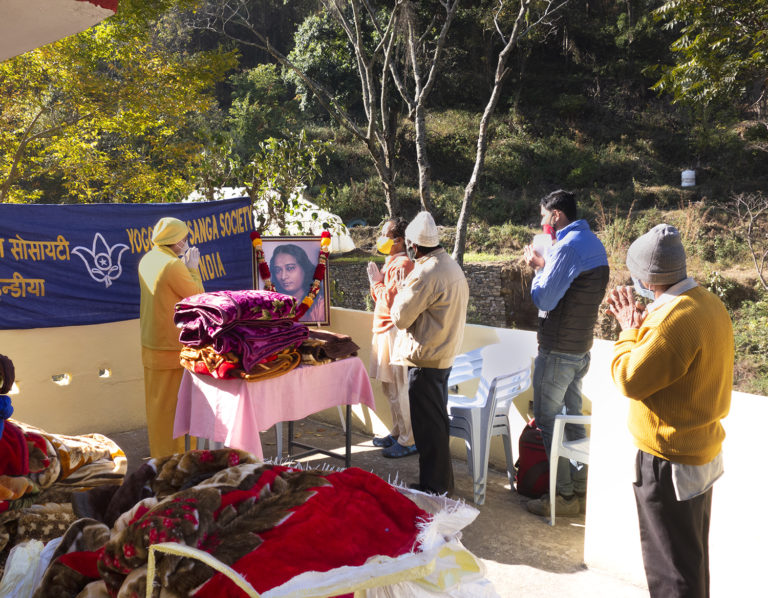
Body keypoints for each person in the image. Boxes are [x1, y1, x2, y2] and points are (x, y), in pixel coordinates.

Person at [606, 223, 733, 598]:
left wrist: (630, 329)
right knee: (690, 560)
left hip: (667, 460)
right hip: (700, 450)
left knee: (670, 571)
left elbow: (629, 378)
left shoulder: (671, 322)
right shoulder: (709, 304)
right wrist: (647, 328)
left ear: (645, 276)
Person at [522, 189, 609, 517]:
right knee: (572, 420)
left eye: (544, 217)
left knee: (548, 422)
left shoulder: (567, 247)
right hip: (580, 350)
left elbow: (544, 299)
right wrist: (549, 264)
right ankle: (581, 488)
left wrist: (537, 268)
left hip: (557, 351)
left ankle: (562, 497)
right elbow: (575, 289)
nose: (543, 223)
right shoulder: (593, 244)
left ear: (556, 215)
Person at [391, 211, 469, 494]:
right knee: (436, 426)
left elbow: (400, 317)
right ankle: (439, 484)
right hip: (443, 357)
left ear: (414, 245)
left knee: (429, 430)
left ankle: (434, 489)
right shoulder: (450, 265)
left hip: (425, 361)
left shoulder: (426, 272)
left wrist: (402, 287)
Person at [138, 217, 204, 458]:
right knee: (178, 410)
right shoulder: (172, 265)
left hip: (151, 342)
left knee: (158, 408)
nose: (185, 242)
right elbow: (197, 297)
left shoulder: (148, 259)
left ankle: (160, 456)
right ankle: (177, 460)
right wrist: (193, 269)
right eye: (183, 238)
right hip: (172, 347)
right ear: (173, 240)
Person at [366, 218, 416, 458]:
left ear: (398, 240)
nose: (381, 237)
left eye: (385, 234)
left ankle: (409, 439)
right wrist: (377, 281)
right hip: (383, 330)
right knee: (389, 389)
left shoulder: (403, 264)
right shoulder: (391, 263)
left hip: (394, 331)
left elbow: (390, 301)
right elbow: (380, 298)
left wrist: (376, 281)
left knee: (400, 387)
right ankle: (397, 432)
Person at [270, 243, 326, 323]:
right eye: (278, 270)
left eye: (290, 268)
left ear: (304, 268)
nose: (283, 276)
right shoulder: (270, 303)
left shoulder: (320, 305)